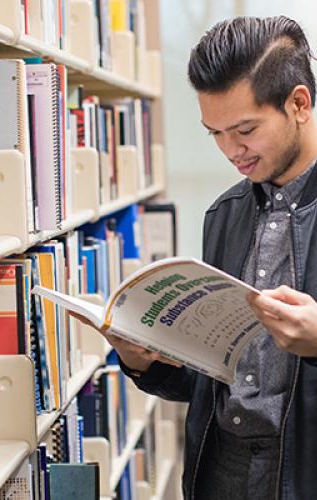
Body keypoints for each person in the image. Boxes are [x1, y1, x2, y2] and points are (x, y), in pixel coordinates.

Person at [99, 16, 317, 500]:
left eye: (244, 130)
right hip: (219, 472)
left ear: (298, 104)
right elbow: (210, 380)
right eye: (214, 133)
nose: (230, 151)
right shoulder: (225, 214)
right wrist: (144, 363)